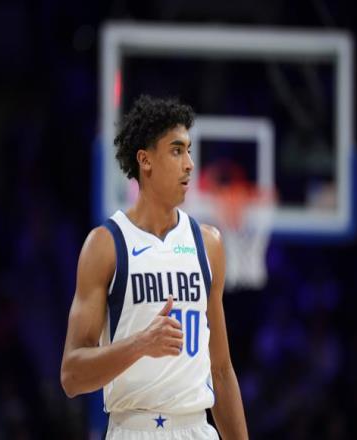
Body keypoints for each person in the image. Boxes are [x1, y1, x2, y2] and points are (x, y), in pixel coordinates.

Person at [61, 95, 248, 439]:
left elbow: (221, 370)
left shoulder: (208, 244)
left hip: (196, 427)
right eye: (177, 151)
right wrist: (140, 344)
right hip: (133, 428)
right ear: (145, 160)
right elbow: (72, 377)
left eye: (189, 151)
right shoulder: (105, 245)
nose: (190, 164)